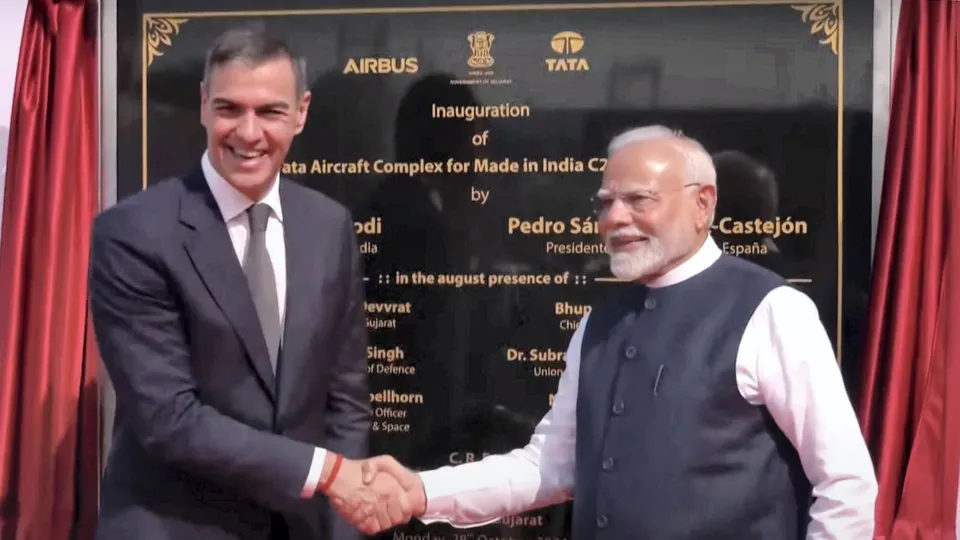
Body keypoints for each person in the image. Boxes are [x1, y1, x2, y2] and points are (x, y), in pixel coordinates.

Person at [343, 125, 878, 538]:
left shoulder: (772, 310)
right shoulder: (599, 321)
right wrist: (420, 490)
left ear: (703, 204)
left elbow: (846, 484)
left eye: (639, 199)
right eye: (605, 202)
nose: (614, 218)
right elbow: (549, 465)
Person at [89, 28, 412, 539]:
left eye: (270, 112)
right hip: (176, 527)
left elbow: (345, 400)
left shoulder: (330, 227)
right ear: (202, 105)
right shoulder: (133, 234)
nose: (248, 132)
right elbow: (168, 418)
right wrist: (328, 474)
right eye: (229, 109)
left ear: (301, 113)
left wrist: (346, 525)